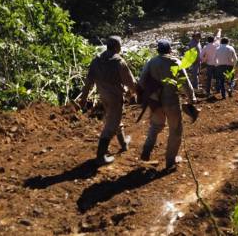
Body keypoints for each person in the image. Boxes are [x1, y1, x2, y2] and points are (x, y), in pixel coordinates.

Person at [138, 39, 197, 171]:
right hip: (171, 101)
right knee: (175, 130)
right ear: (170, 50)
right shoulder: (175, 62)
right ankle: (170, 161)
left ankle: (146, 152)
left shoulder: (151, 62)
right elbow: (185, 83)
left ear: (158, 51)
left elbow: (141, 81)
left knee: (155, 127)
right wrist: (191, 98)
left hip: (155, 102)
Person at [79, 36, 137, 165]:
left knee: (114, 119)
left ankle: (123, 143)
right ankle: (100, 156)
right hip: (115, 98)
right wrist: (134, 93)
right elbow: (131, 82)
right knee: (111, 126)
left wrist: (83, 98)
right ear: (117, 47)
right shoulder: (119, 62)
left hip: (103, 97)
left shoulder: (96, 61)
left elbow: (88, 82)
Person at [200, 28, 222, 95]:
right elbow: (218, 37)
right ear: (213, 40)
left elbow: (200, 56)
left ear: (208, 41)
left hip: (209, 64)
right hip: (217, 64)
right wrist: (219, 31)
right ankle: (218, 90)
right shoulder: (217, 44)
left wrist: (205, 60)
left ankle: (208, 91)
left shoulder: (205, 47)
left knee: (209, 78)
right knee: (217, 77)